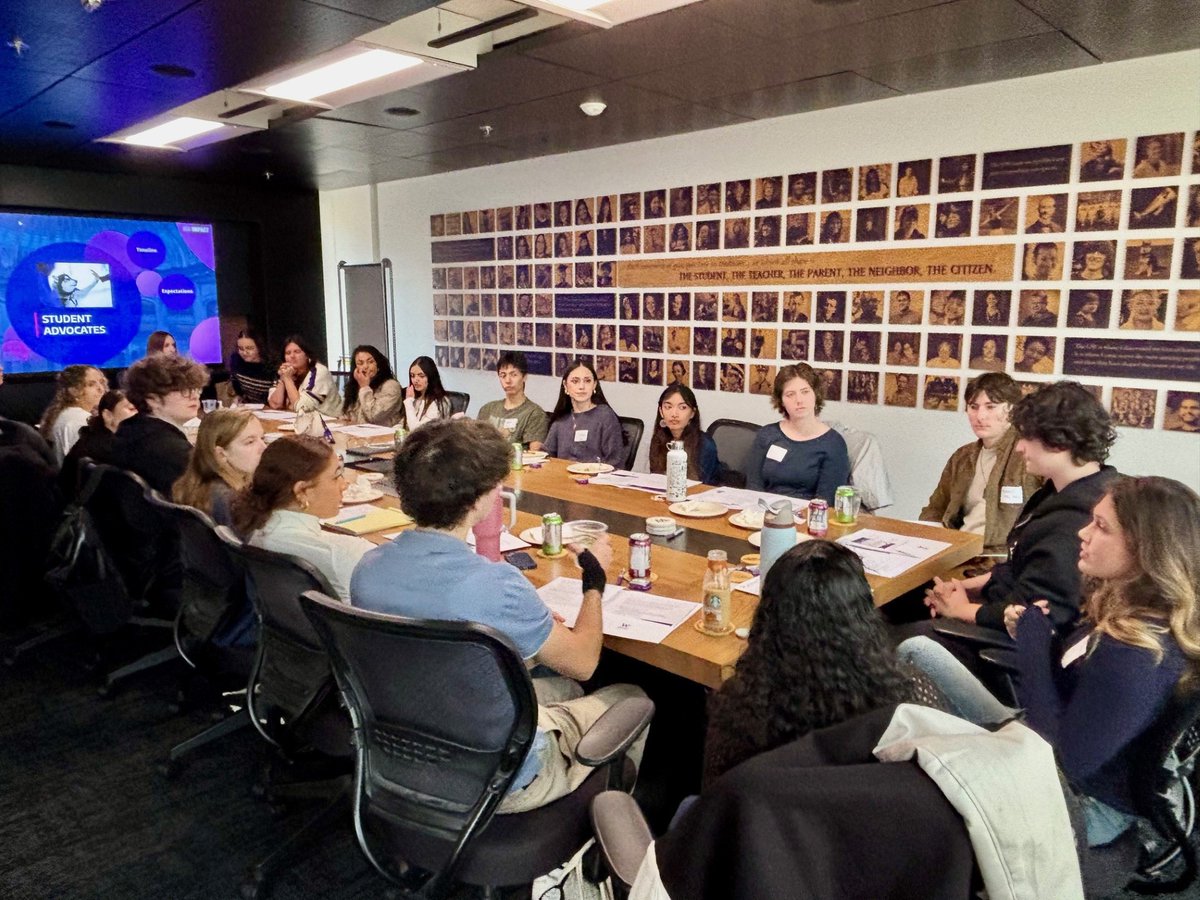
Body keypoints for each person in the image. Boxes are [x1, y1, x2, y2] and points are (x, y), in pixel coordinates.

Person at [351, 419, 647, 813]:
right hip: (496, 780)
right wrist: (595, 582)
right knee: (631, 698)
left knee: (563, 691)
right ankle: (597, 854)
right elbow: (584, 662)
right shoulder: (495, 586)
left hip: (404, 752)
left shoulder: (367, 569)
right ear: (477, 502)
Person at [901, 476, 1200, 848]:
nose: (1083, 534)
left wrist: (1033, 643)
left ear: (1144, 550)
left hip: (1079, 803)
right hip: (1041, 739)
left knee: (909, 792)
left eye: (1101, 527)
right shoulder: (1125, 607)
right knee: (916, 650)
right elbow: (1073, 690)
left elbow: (1060, 762)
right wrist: (1041, 635)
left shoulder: (1136, 653)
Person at [704, 541, 940, 784]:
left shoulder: (739, 710)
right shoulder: (910, 696)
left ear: (768, 617)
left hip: (773, 819)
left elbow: (717, 795)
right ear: (863, 616)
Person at [924, 381, 1119, 635]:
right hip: (1002, 600)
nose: (1019, 447)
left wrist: (960, 610)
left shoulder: (1078, 517)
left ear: (1058, 442)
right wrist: (965, 587)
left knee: (900, 637)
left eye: (1027, 438)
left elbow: (1041, 613)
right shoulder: (1063, 492)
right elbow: (1020, 567)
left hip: (1013, 640)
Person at [230, 435, 371, 602]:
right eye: (335, 477)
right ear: (302, 491)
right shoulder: (342, 554)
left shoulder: (255, 531)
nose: (344, 484)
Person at [920, 374, 1041, 556]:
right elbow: (935, 509)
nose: (980, 416)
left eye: (990, 407)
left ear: (1012, 409)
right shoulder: (962, 457)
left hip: (1003, 559)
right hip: (957, 552)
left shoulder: (1030, 455)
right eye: (973, 407)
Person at [744, 364, 850, 504]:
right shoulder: (767, 434)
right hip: (764, 515)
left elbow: (826, 501)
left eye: (805, 392)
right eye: (790, 394)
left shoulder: (833, 444)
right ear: (781, 401)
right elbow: (753, 486)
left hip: (808, 518)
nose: (799, 400)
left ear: (816, 394)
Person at [113, 353, 210, 494]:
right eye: (183, 390)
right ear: (152, 399)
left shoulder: (129, 430)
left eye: (196, 388)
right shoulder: (172, 451)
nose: (195, 396)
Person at [173, 409, 266, 525]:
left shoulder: (200, 483)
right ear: (221, 454)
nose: (264, 448)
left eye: (262, 438)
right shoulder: (227, 501)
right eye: (250, 442)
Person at [543, 360, 625, 467]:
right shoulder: (561, 419)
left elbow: (615, 462)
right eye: (575, 381)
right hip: (562, 479)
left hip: (596, 480)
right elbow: (547, 457)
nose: (581, 387)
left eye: (587, 381)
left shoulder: (605, 416)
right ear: (565, 385)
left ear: (594, 385)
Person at [59, 389, 136, 496]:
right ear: (108, 415)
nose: (139, 414)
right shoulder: (105, 450)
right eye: (132, 409)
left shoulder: (90, 438)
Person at [647, 384, 720, 485]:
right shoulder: (658, 440)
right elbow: (656, 479)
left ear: (692, 413)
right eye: (668, 407)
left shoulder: (705, 444)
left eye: (682, 407)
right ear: (661, 411)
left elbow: (702, 487)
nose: (674, 414)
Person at [477, 351, 549, 449]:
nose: (508, 381)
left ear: (524, 377)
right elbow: (476, 446)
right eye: (503, 375)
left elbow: (535, 455)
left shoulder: (535, 414)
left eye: (513, 375)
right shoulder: (487, 409)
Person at [38, 364, 108, 465]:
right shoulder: (79, 420)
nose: (101, 389)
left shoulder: (68, 414)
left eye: (102, 382)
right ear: (74, 391)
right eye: (91, 384)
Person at [267, 335, 341, 417]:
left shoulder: (319, 372)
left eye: (297, 352)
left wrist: (287, 379)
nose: (292, 356)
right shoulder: (286, 372)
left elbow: (301, 408)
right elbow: (275, 404)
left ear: (307, 355)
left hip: (329, 424)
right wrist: (283, 379)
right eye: (288, 353)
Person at [342, 345, 403, 426]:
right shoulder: (356, 385)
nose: (365, 366)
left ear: (378, 365)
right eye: (360, 363)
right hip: (358, 434)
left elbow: (373, 416)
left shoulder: (391, 386)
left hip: (383, 435)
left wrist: (364, 387)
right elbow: (348, 414)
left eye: (370, 362)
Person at [403, 355, 451, 428]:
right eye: (412, 376)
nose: (416, 380)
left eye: (421, 376)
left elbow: (416, 431)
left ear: (431, 377)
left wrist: (408, 402)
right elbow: (404, 424)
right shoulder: (415, 398)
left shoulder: (439, 402)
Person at [228, 329, 273, 405]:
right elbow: (237, 388)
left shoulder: (272, 366)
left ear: (259, 347)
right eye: (241, 349)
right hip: (248, 408)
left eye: (249, 348)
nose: (245, 353)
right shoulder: (236, 360)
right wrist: (238, 397)